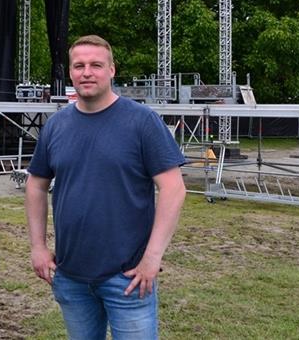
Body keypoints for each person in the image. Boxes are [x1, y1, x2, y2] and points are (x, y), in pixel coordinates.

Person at [25, 35, 186, 340]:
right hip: (70, 275)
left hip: (128, 277)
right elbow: (35, 185)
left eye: (96, 65)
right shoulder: (56, 126)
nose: (87, 72)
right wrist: (38, 247)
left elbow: (174, 189)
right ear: (70, 73)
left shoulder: (142, 122)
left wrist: (152, 258)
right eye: (79, 65)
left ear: (112, 70)